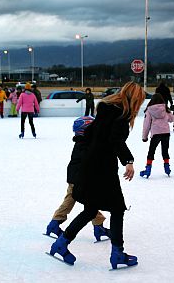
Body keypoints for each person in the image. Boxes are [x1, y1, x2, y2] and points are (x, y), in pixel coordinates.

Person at [48, 82, 146, 269]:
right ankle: (117, 253)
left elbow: (90, 134)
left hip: (90, 167)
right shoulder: (120, 115)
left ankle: (61, 243)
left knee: (90, 210)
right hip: (103, 170)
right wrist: (129, 161)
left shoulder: (104, 110)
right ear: (135, 99)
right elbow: (116, 140)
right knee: (117, 209)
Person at [45, 116, 110, 242]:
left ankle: (55, 223)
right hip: (81, 179)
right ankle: (98, 227)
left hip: (76, 177)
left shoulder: (82, 142)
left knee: (75, 200)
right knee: (90, 202)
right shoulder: (87, 144)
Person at [139, 93, 174, 178]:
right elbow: (172, 119)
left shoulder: (149, 110)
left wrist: (144, 137)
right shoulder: (165, 108)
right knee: (165, 151)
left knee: (151, 151)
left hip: (156, 133)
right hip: (166, 133)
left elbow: (146, 125)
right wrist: (168, 112)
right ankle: (167, 168)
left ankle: (148, 169)